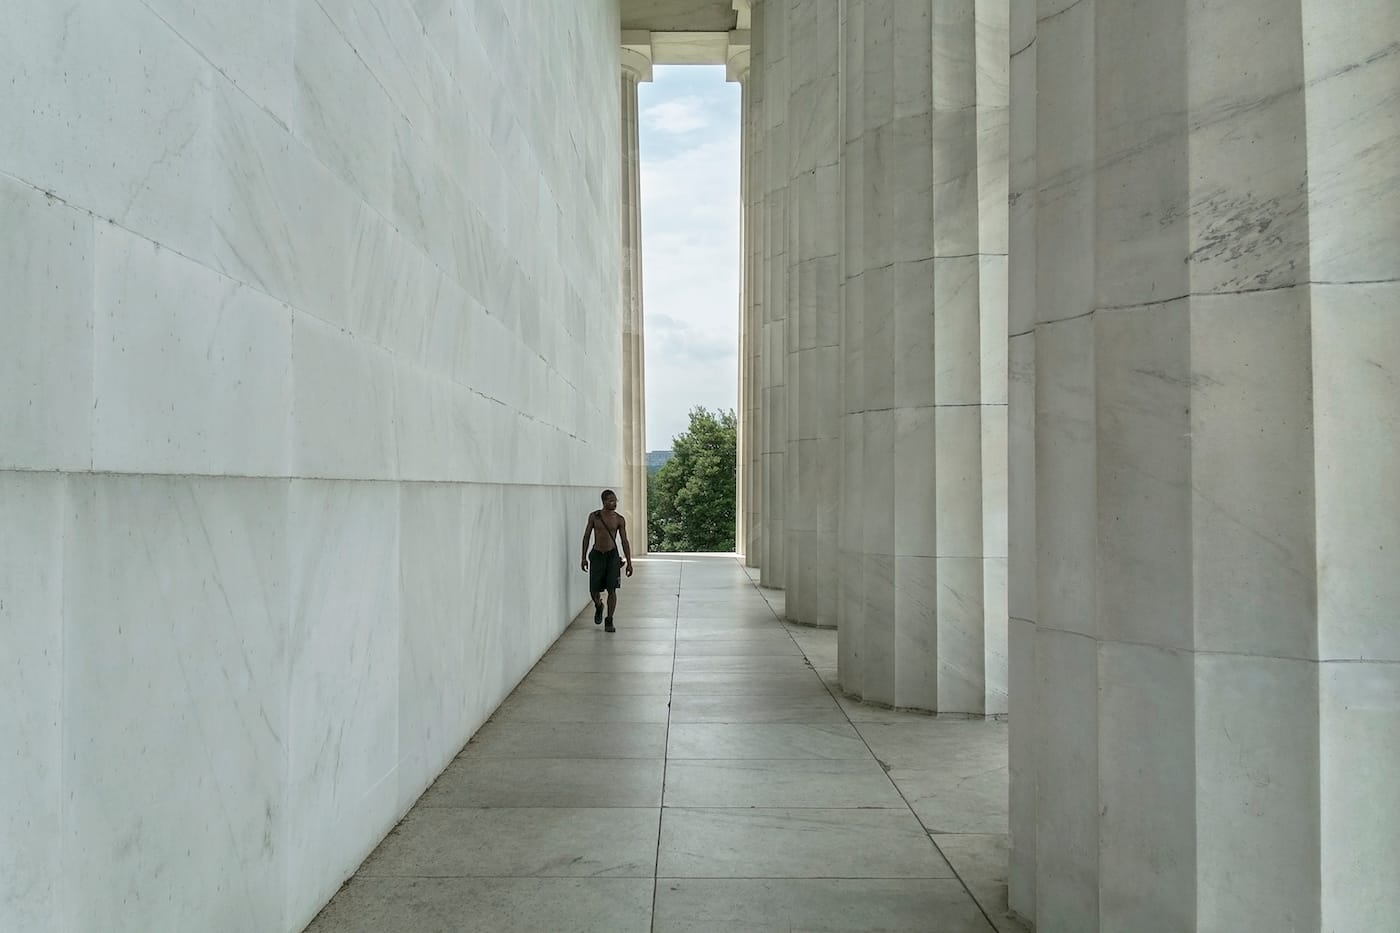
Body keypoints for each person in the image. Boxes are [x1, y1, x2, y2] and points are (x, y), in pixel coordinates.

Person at [580, 489, 633, 632]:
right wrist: (583, 557)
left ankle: (609, 619)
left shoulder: (619, 519)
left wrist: (629, 562)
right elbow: (586, 537)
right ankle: (598, 605)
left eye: (615, 500)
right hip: (597, 555)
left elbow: (624, 541)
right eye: (611, 500)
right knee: (593, 590)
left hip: (612, 557)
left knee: (612, 589)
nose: (614, 503)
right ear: (603, 502)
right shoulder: (594, 517)